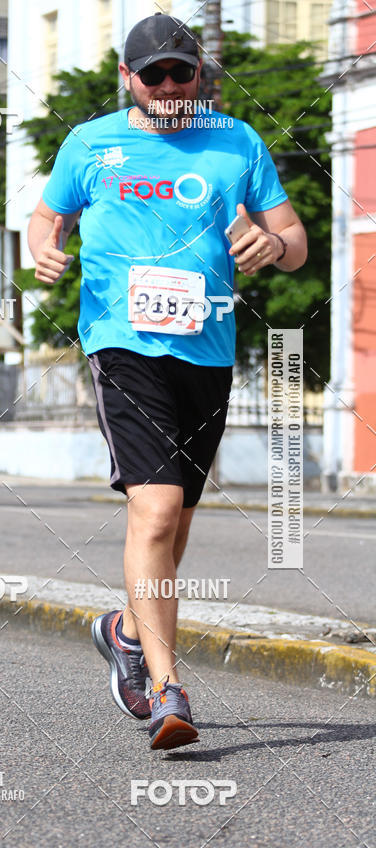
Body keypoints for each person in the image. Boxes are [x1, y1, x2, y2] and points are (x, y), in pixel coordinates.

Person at [27, 13, 307, 750]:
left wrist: (272, 242)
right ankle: (163, 687)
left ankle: (125, 630)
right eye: (154, 74)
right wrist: (43, 251)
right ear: (130, 79)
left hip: (207, 353)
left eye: (183, 71)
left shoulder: (236, 141)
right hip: (123, 346)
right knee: (154, 513)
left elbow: (297, 244)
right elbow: (45, 217)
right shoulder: (91, 144)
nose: (170, 84)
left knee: (176, 522)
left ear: (199, 75)